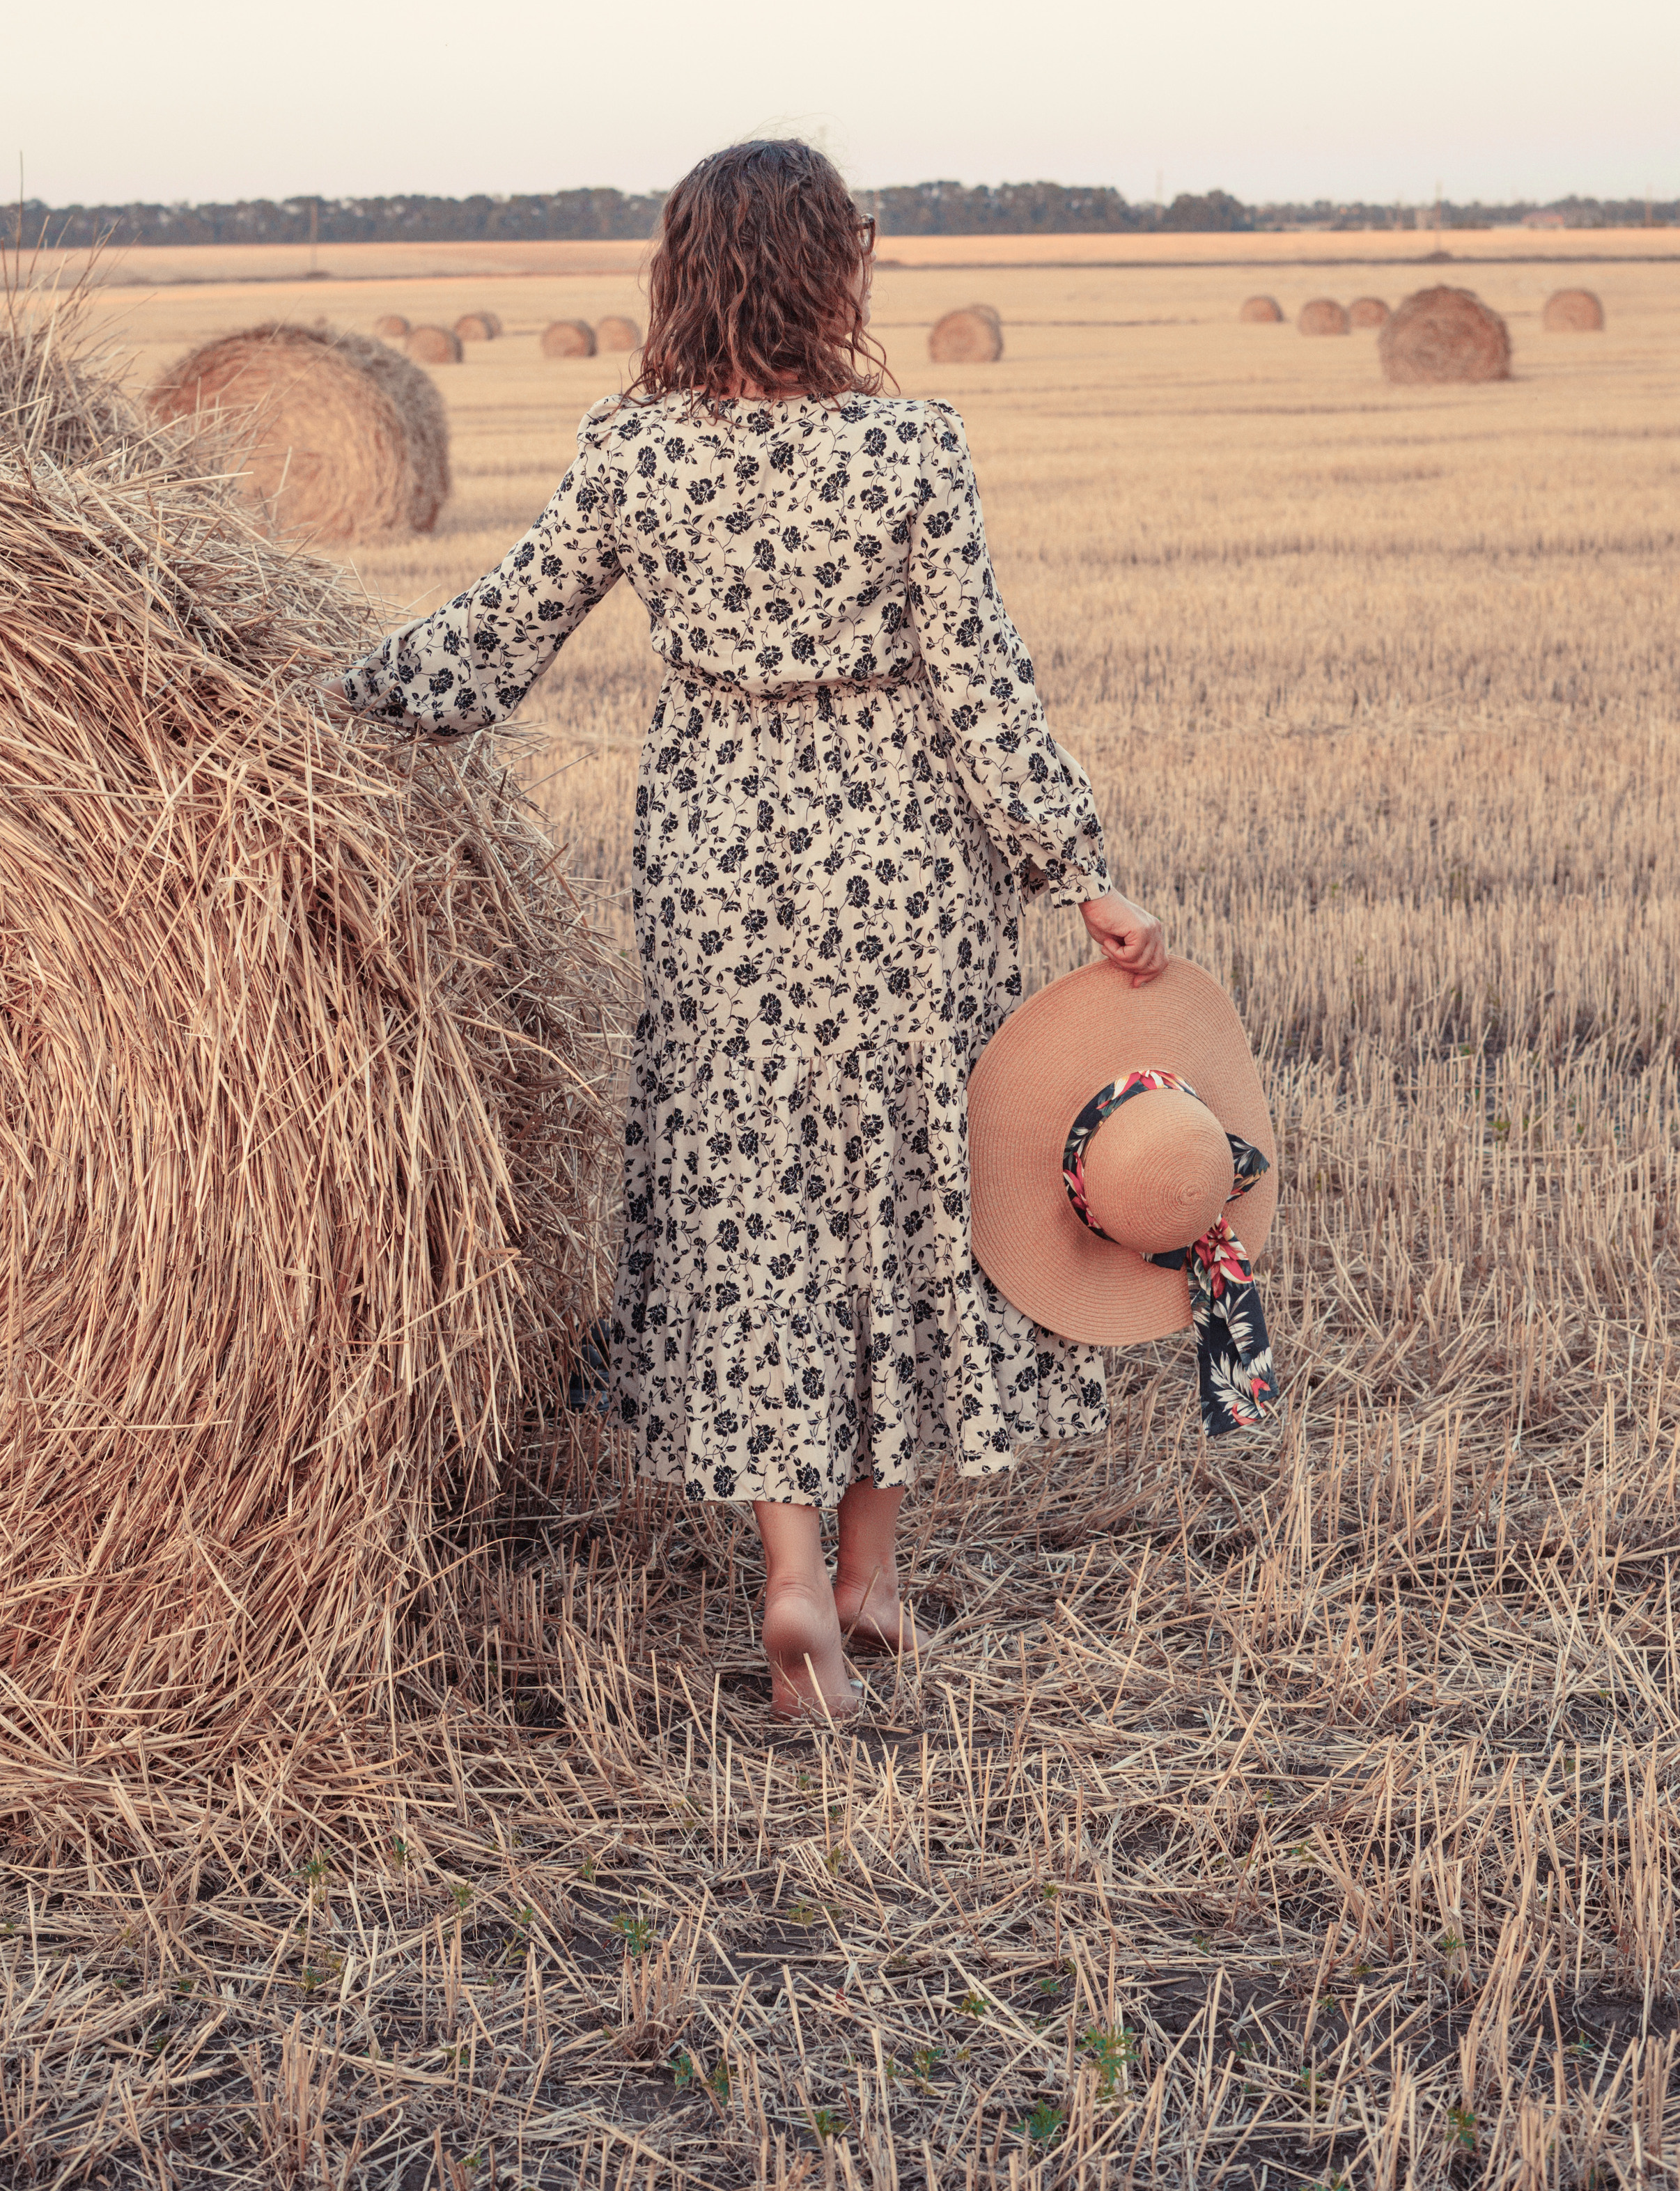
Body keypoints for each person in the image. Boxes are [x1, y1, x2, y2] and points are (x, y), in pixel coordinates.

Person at [331, 139, 1166, 1722]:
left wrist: (311, 691)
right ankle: (870, 1576)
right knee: (905, 1178)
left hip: (720, 851)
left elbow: (494, 641)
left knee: (751, 1192)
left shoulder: (632, 449)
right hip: (904, 854)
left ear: (687, 270)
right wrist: (1081, 870)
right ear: (829, 271)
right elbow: (985, 686)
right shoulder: (914, 445)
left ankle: (785, 1577)